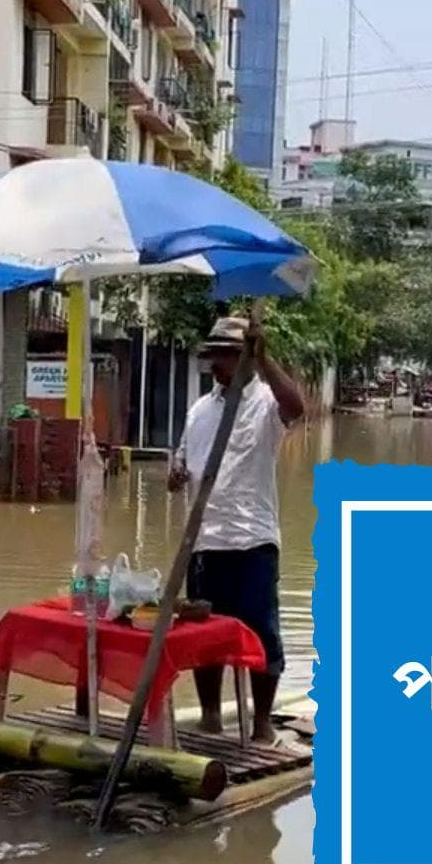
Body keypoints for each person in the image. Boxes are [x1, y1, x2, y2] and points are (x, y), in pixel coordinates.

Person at [167, 316, 307, 745]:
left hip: (252, 540)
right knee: (204, 636)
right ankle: (211, 716)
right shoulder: (200, 410)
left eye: (226, 356)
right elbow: (184, 462)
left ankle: (262, 722)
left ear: (244, 359)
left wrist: (263, 357)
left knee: (261, 635)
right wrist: (175, 473)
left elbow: (297, 409)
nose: (217, 364)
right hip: (206, 540)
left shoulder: (264, 403)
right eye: (214, 356)